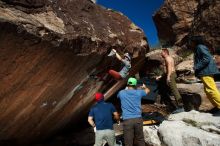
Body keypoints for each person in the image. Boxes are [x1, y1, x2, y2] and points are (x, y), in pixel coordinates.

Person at [188, 36, 220, 116]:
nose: (190, 43)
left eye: (191, 41)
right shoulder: (199, 47)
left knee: (211, 90)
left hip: (206, 71)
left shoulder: (200, 47)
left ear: (195, 41)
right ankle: (217, 106)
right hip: (205, 71)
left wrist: (196, 66)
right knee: (208, 90)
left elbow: (207, 58)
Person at [117, 77, 150, 146]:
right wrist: (144, 87)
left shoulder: (121, 93)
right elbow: (148, 90)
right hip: (138, 119)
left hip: (127, 120)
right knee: (140, 139)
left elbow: (118, 96)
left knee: (128, 141)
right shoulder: (139, 93)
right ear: (135, 85)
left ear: (127, 84)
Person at [157, 48, 185, 113]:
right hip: (171, 74)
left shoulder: (167, 59)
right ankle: (173, 106)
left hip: (171, 75)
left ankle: (181, 107)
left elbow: (169, 68)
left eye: (161, 52)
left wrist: (168, 77)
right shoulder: (169, 58)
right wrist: (161, 76)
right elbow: (168, 69)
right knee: (171, 89)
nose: (160, 54)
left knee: (174, 90)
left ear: (165, 52)